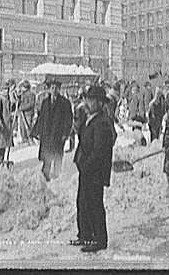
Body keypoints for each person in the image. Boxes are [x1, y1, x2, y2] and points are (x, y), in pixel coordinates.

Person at [71, 85, 114, 253]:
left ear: (100, 103)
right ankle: (85, 234)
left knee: (94, 204)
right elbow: (83, 140)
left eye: (94, 100)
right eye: (88, 99)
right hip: (86, 169)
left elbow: (98, 151)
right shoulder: (90, 119)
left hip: (94, 172)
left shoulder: (102, 122)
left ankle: (99, 239)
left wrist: (86, 164)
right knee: (83, 202)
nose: (90, 102)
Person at [32, 79, 73, 181]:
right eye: (52, 88)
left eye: (56, 88)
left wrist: (65, 133)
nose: (54, 90)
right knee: (47, 155)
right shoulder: (45, 102)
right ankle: (45, 175)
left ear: (59, 89)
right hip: (46, 135)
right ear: (49, 89)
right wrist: (36, 131)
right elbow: (41, 118)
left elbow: (69, 119)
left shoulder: (65, 103)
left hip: (58, 135)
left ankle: (57, 176)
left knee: (58, 155)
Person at [16, 80, 35, 145]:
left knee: (28, 126)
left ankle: (30, 139)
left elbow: (31, 104)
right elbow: (19, 101)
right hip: (22, 113)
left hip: (28, 113)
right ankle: (24, 139)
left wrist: (22, 107)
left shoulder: (31, 94)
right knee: (22, 127)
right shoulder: (22, 94)